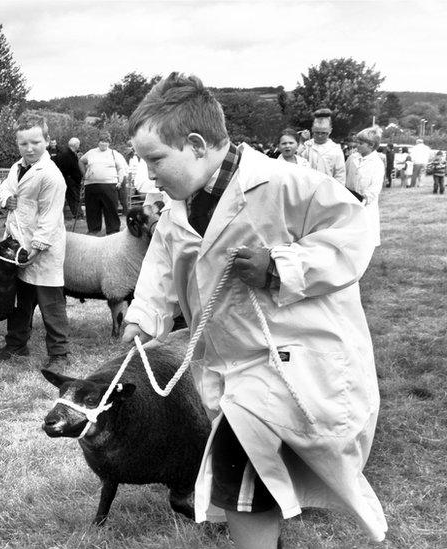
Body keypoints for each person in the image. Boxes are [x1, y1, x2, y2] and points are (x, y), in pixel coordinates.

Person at [121, 72, 386, 547]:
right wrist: (143, 316)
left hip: (296, 360)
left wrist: (282, 265)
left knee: (238, 469)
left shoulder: (286, 184)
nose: (148, 174)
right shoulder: (178, 207)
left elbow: (355, 232)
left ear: (198, 145)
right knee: (247, 477)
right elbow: (161, 264)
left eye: (155, 160)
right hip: (236, 365)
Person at [0, 114, 70, 370]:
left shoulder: (51, 176)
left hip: (42, 250)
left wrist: (36, 249)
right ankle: (16, 344)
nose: (29, 148)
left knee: (51, 303)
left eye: (35, 142)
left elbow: (49, 219)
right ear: (17, 144)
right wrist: (6, 200)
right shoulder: (17, 167)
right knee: (20, 301)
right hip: (16, 245)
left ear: (47, 141)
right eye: (23, 143)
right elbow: (4, 189)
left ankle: (59, 354)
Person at [78, 131, 128, 234]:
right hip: (91, 186)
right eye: (101, 141)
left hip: (109, 186)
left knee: (111, 209)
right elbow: (81, 161)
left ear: (109, 143)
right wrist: (85, 175)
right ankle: (93, 230)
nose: (103, 143)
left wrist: (120, 180)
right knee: (92, 209)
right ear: (98, 142)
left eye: (106, 141)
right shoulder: (91, 152)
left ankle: (113, 231)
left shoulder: (114, 153)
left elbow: (120, 168)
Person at [345, 126, 385, 247]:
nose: (357, 145)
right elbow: (344, 175)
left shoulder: (377, 163)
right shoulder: (352, 158)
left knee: (363, 238)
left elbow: (375, 189)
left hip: (365, 204)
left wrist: (363, 199)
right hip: (348, 200)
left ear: (371, 145)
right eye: (357, 142)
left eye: (360, 143)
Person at [298, 108, 346, 185]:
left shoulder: (335, 149)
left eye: (323, 133)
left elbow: (340, 174)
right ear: (312, 130)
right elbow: (297, 164)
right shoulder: (307, 146)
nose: (320, 136)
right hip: (307, 186)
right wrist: (301, 142)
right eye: (317, 132)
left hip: (328, 188)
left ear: (330, 130)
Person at [52, 138, 83, 219]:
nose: (79, 146)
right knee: (73, 197)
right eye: (78, 145)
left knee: (74, 197)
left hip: (72, 179)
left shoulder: (71, 153)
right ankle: (78, 215)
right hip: (70, 180)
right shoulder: (66, 154)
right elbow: (66, 168)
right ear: (76, 145)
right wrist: (73, 178)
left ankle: (78, 214)